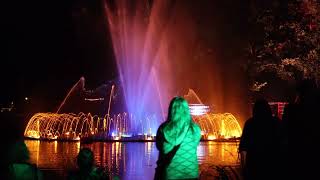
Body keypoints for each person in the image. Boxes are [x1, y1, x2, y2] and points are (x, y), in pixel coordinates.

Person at [155, 97, 201, 180]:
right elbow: (195, 144)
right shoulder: (195, 129)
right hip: (191, 174)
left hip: (170, 175)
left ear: (171, 110)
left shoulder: (164, 129)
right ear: (187, 110)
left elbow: (160, 147)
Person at [239, 99, 279, 180]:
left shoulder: (250, 123)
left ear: (255, 110)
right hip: (272, 164)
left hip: (253, 164)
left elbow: (243, 147)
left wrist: (243, 168)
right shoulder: (276, 122)